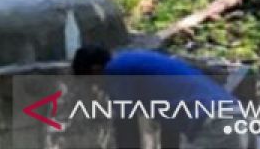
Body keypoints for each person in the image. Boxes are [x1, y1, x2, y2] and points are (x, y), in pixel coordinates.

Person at [72, 46, 247, 149]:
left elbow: (126, 124)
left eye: (90, 82)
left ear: (95, 70)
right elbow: (170, 125)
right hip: (232, 116)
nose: (96, 88)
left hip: (214, 124)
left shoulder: (115, 70)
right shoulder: (139, 65)